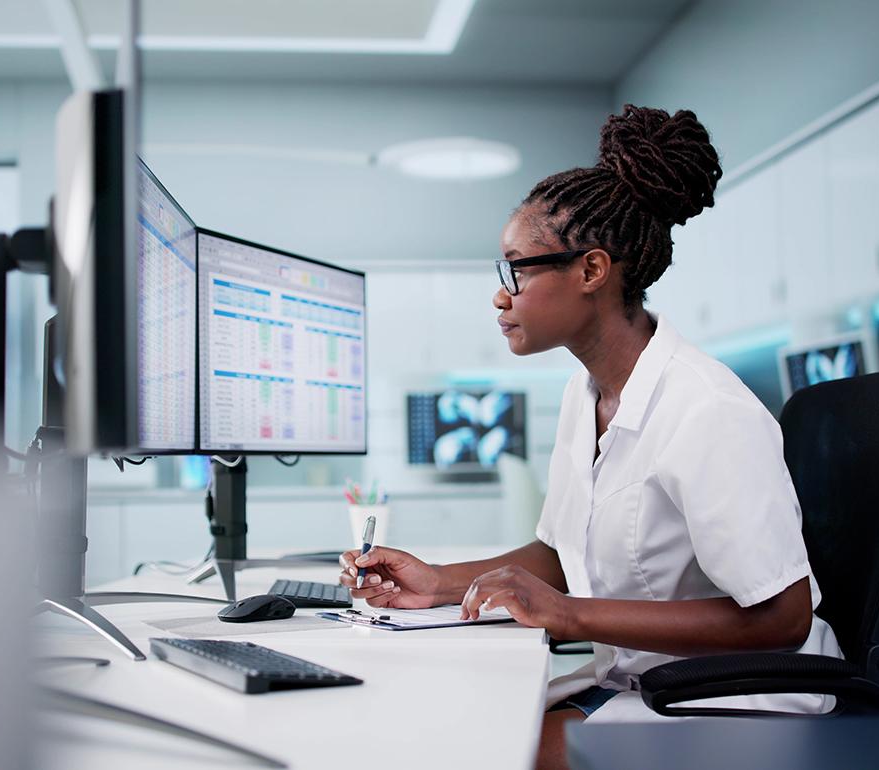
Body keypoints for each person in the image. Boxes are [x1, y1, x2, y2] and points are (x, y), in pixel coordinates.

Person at [338, 105, 841, 770]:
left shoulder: (708, 411)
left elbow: (783, 618)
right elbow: (559, 549)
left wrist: (570, 615)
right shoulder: (588, 395)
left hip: (744, 698)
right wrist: (437, 583)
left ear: (591, 270)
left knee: (481, 755)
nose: (501, 296)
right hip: (645, 681)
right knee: (445, 726)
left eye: (517, 269)